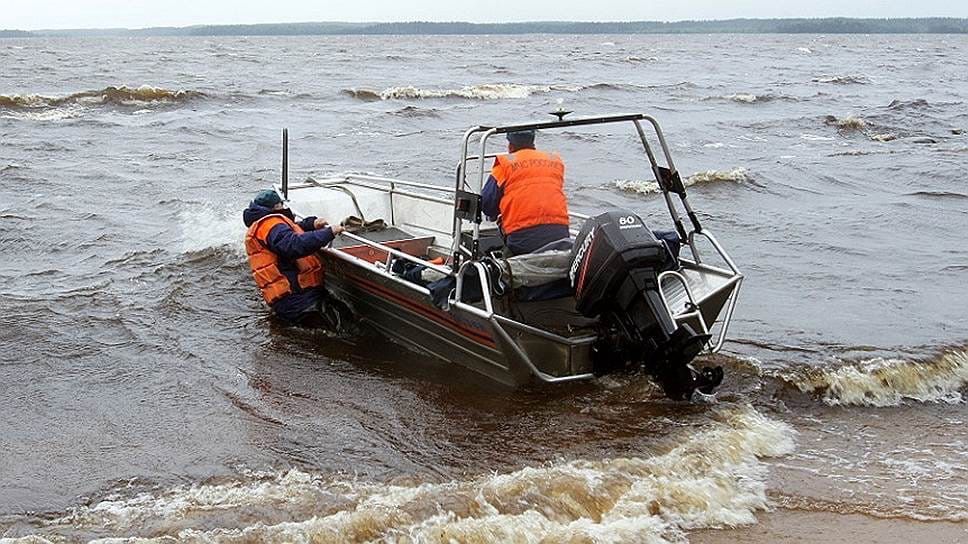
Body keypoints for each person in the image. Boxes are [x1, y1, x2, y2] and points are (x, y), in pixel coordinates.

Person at [242, 189, 345, 326]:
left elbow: (287, 232)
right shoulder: (270, 224)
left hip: (293, 296)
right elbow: (292, 244)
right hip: (296, 297)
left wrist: (310, 224)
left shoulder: (264, 224)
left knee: (341, 316)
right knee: (342, 328)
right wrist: (329, 232)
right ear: (276, 206)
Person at [481, 130, 571, 256]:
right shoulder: (554, 161)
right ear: (533, 143)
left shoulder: (505, 164)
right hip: (560, 234)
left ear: (510, 146)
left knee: (499, 262)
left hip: (522, 239)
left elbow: (487, 204)